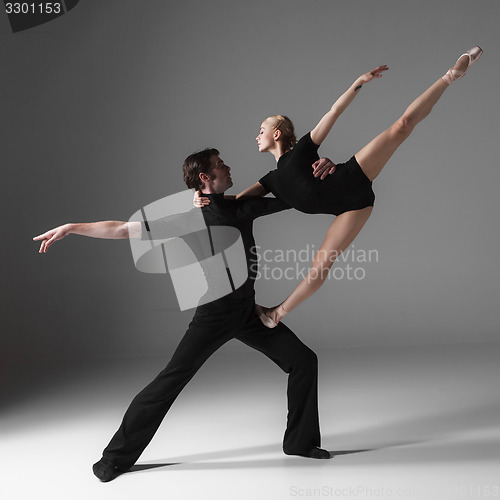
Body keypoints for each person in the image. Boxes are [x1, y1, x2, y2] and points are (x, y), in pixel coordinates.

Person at [33, 150, 335, 482]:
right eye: (221, 165)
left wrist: (325, 169)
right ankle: (114, 458)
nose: (228, 166)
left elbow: (298, 197)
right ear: (205, 177)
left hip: (248, 313)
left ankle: (300, 443)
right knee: (169, 381)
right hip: (214, 315)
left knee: (304, 361)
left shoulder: (240, 208)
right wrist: (72, 228)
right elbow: (122, 229)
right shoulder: (189, 219)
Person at [195, 46, 483, 328]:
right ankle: (276, 313)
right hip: (354, 209)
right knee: (320, 267)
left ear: (277, 133)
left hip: (351, 178)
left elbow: (334, 111)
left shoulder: (304, 149)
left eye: (261, 130)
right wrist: (196, 198)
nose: (257, 136)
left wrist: (358, 82)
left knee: (402, 126)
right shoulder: (271, 181)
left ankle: (450, 76)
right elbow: (232, 203)